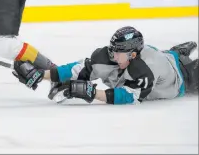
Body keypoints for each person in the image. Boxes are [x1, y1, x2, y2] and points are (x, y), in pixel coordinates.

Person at [13, 26, 198, 104]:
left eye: (117, 51)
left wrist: (93, 93)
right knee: (166, 55)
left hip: (183, 76)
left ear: (132, 55)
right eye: (112, 48)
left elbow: (130, 97)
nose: (112, 54)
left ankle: (181, 55)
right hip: (165, 57)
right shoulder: (109, 56)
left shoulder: (145, 69)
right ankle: (177, 51)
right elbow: (78, 70)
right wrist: (41, 74)